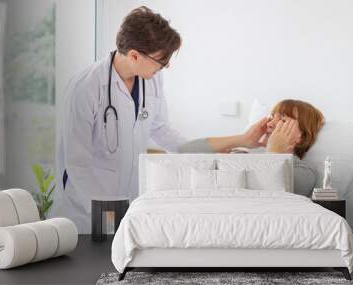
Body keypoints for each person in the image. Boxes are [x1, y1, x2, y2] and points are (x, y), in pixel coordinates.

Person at [52, 6, 188, 233]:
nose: (165, 66)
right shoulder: (85, 87)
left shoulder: (151, 80)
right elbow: (78, 165)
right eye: (161, 60)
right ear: (135, 55)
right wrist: (110, 217)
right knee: (92, 267)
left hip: (127, 209)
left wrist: (202, 152)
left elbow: (162, 130)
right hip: (84, 217)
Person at [178, 99, 325, 196]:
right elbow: (183, 152)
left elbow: (271, 197)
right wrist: (242, 140)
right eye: (272, 117)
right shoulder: (243, 154)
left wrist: (275, 153)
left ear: (301, 136)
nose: (270, 123)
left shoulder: (304, 171)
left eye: (283, 120)